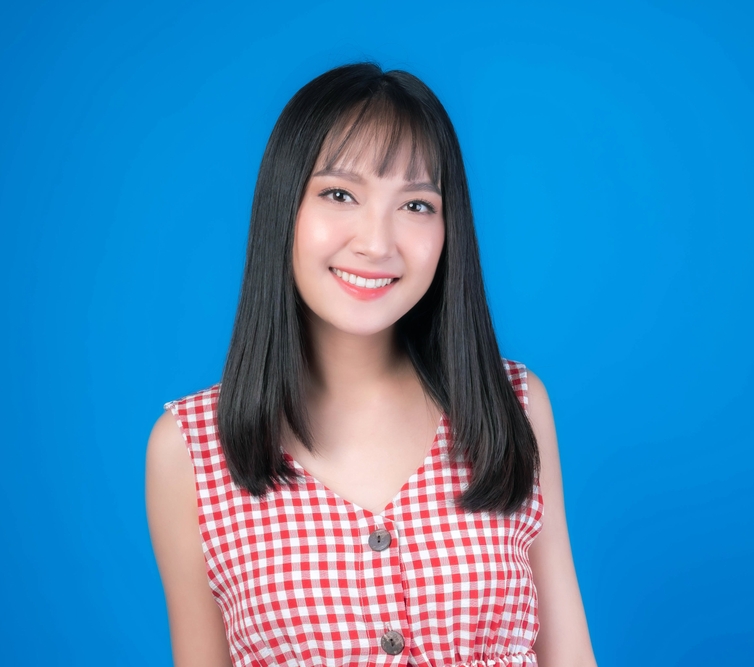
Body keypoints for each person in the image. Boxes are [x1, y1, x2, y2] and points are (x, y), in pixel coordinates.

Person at [145, 62, 597, 667]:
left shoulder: (512, 404)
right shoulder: (192, 448)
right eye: (340, 194)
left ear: (448, 229)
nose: (377, 242)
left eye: (416, 204)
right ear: (285, 209)